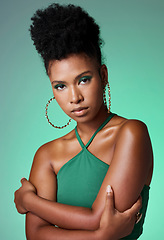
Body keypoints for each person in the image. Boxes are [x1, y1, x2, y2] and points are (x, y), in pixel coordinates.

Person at [14, 3, 153, 240]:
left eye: (84, 80)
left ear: (103, 75)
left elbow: (96, 219)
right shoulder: (47, 155)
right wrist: (99, 237)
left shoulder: (131, 134)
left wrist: (30, 201)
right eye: (60, 86)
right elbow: (35, 235)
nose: (74, 98)